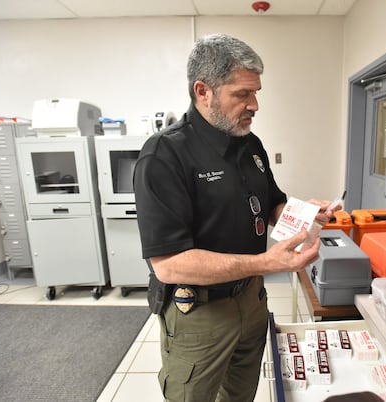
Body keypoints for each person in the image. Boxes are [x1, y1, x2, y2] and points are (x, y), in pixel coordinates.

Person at [133, 33, 336, 402]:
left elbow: (272, 203)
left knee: (241, 395)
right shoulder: (164, 155)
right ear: (203, 91)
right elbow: (168, 264)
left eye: (256, 93)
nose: (254, 105)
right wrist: (265, 262)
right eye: (242, 94)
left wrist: (305, 213)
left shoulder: (249, 143)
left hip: (251, 301)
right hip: (198, 312)